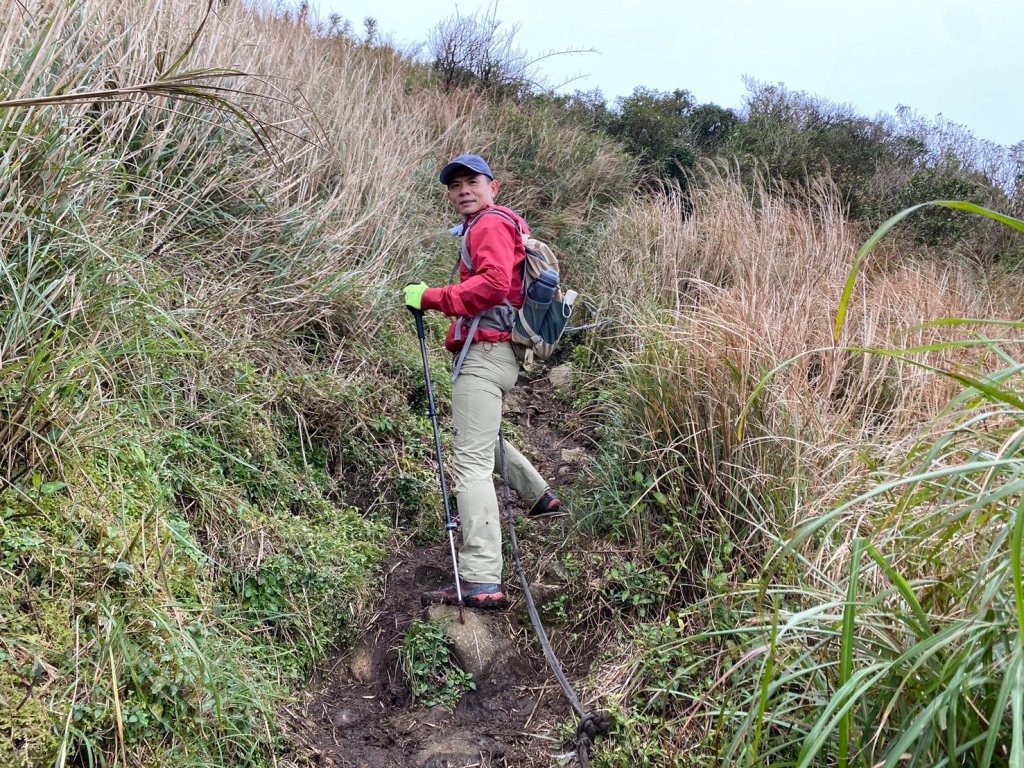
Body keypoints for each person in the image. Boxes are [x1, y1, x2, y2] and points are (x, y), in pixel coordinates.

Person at [404, 153, 564, 610]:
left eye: (473, 182)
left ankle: (480, 578)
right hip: (502, 353)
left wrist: (431, 298)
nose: (463, 191)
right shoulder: (506, 224)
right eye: (455, 186)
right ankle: (539, 498)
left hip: (485, 353)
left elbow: (494, 285)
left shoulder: (490, 225)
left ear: (493, 186)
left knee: (469, 464)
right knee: (483, 437)